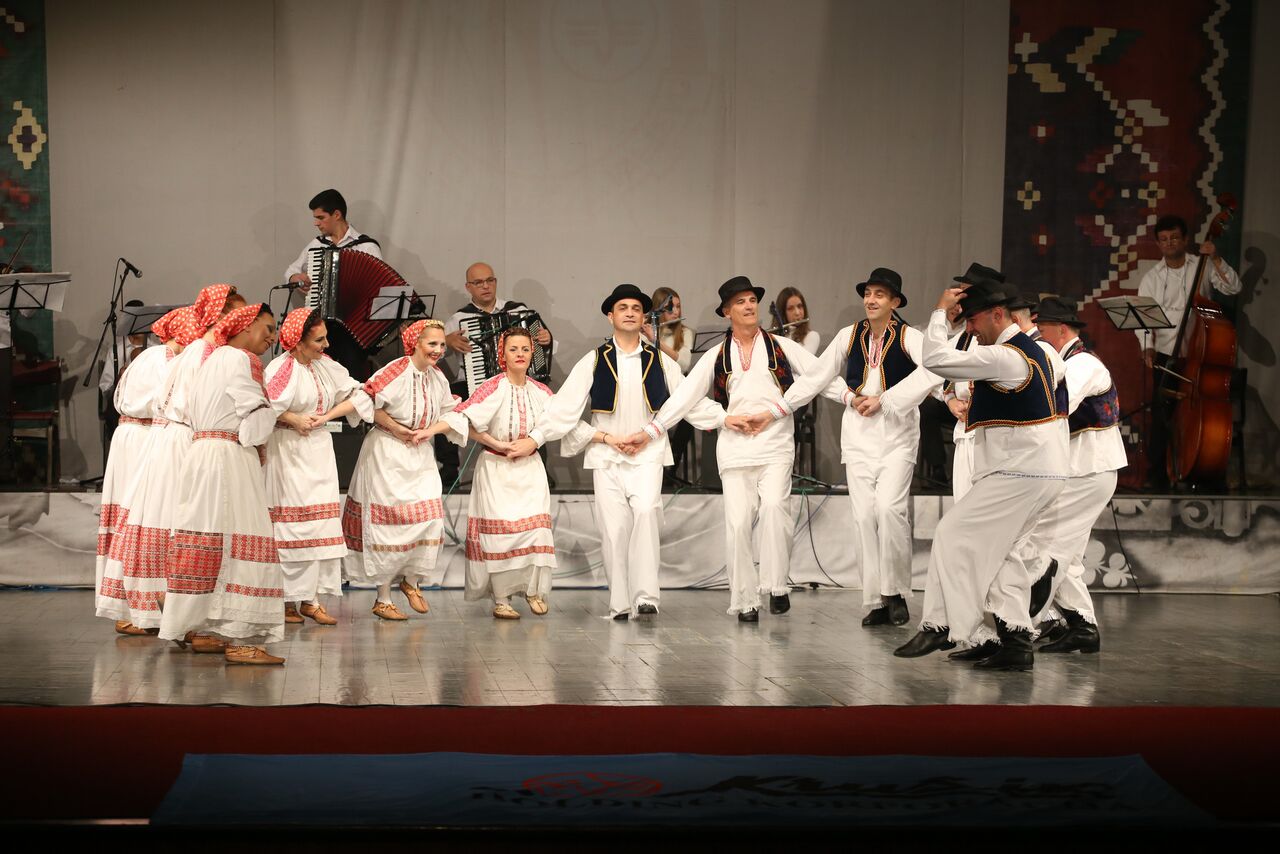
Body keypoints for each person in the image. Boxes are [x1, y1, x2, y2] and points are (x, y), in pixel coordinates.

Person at [893, 277, 1069, 671]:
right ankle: (1016, 641)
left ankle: (940, 623)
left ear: (998, 314)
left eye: (973, 320)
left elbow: (935, 360)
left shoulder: (1005, 356)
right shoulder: (1034, 351)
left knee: (951, 532)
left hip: (1021, 472)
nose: (970, 329)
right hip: (1037, 470)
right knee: (1002, 553)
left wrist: (940, 312)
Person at [627, 276, 826, 622]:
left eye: (752, 300)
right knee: (737, 524)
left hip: (775, 443)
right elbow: (684, 398)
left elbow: (820, 375)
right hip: (735, 448)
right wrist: (655, 430)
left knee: (775, 508)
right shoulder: (717, 354)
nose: (749, 306)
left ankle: (776, 585)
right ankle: (745, 600)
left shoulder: (780, 346)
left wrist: (852, 398)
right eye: (740, 302)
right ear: (727, 312)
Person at [519, 285, 723, 620]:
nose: (630, 313)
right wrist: (537, 438)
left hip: (648, 453)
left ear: (644, 318)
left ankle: (646, 597)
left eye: (636, 308)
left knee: (646, 512)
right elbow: (563, 409)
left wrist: (727, 418)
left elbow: (689, 400)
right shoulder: (594, 359)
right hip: (607, 456)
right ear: (610, 316)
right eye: (623, 308)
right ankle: (620, 603)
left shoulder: (660, 360)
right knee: (613, 531)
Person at [765, 268, 939, 628]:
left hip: (897, 434)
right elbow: (817, 375)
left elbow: (933, 371)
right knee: (862, 517)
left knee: (889, 510)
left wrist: (888, 400)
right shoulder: (850, 334)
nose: (871, 300)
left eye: (880, 295)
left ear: (895, 302)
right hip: (859, 435)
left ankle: (896, 592)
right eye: (868, 293)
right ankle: (875, 598)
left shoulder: (909, 336)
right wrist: (779, 409)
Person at [98, 285, 242, 644]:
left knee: (155, 516)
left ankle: (158, 608)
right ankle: (160, 609)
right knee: (166, 518)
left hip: (158, 435)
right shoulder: (177, 357)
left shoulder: (183, 356)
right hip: (155, 436)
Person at [158, 303, 285, 665]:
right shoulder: (243, 360)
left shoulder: (209, 359)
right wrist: (266, 424)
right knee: (240, 535)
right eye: (267, 328)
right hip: (229, 456)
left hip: (201, 454)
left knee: (209, 538)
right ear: (245, 327)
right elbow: (255, 422)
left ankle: (203, 627)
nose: (272, 337)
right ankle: (240, 638)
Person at [342, 320, 466, 621]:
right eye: (432, 344)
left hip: (419, 453)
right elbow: (368, 403)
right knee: (388, 525)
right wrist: (398, 429)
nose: (438, 350)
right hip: (388, 452)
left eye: (441, 344)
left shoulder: (437, 377)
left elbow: (451, 413)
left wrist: (428, 432)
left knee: (430, 519)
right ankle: (383, 598)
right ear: (415, 343)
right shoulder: (393, 371)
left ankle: (411, 581)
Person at [1028, 296, 1127, 653]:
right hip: (1079, 469)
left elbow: (1057, 406)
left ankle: (1022, 626)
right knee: (1065, 551)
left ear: (1061, 329)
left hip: (1089, 469)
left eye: (1041, 329)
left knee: (1047, 544)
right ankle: (1082, 625)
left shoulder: (1083, 363)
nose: (1037, 335)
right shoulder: (1068, 362)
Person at [264, 308, 374, 628]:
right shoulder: (280, 369)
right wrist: (292, 418)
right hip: (287, 451)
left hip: (318, 451)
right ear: (298, 342)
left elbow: (360, 394)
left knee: (318, 526)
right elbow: (264, 404)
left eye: (325, 338)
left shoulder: (326, 366)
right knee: (292, 526)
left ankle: (311, 599)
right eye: (319, 340)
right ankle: (286, 599)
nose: (326, 345)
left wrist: (327, 416)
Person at [94, 306, 199, 634]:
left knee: (132, 520)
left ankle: (134, 608)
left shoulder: (153, 356)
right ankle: (131, 610)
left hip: (135, 434)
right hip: (142, 436)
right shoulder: (162, 360)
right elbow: (165, 405)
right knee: (136, 519)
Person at [445, 328, 557, 619]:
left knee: (535, 530)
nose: (520, 354)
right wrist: (494, 443)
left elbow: (560, 421)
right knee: (502, 534)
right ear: (502, 354)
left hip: (530, 468)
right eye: (513, 349)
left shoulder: (541, 391)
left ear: (532, 354)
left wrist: (534, 441)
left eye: (525, 349)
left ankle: (533, 590)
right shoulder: (492, 387)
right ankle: (502, 597)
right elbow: (461, 419)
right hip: (497, 468)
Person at [1134, 214, 1241, 488]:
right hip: (1166, 355)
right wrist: (1147, 347)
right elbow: (1144, 320)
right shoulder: (1152, 278)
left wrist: (1216, 258)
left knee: (1201, 417)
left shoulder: (1202, 265)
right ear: (1158, 244)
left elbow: (1233, 287)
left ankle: (1203, 473)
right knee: (1162, 417)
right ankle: (1158, 478)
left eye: (1174, 238)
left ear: (1185, 240)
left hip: (1201, 356)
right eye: (1163, 239)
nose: (1169, 243)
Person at [439, 262, 554, 483]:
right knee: (447, 404)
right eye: (478, 282)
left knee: (537, 405)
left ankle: (540, 467)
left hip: (516, 380)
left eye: (489, 280)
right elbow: (433, 353)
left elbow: (539, 348)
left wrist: (545, 340)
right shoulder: (458, 319)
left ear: (495, 282)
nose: (485, 286)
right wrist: (447, 342)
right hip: (474, 383)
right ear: (468, 287)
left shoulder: (519, 311)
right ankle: (449, 470)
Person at [283, 189, 383, 290]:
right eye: (316, 218)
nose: (316, 223)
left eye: (321, 218)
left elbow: (379, 285)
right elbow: (290, 271)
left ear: (337, 215)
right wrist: (294, 277)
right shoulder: (317, 244)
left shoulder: (367, 247)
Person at [647, 286, 696, 484]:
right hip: (652, 390)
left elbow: (684, 363)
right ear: (658, 309)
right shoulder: (646, 331)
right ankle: (654, 468)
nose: (676, 311)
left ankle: (670, 468)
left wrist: (656, 341)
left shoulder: (685, 332)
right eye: (670, 307)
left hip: (675, 390)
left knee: (689, 417)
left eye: (678, 306)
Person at [774, 286, 821, 354]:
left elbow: (802, 358)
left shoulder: (812, 336)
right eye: (791, 308)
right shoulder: (773, 337)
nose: (797, 313)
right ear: (782, 313)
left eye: (799, 306)